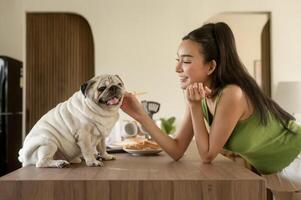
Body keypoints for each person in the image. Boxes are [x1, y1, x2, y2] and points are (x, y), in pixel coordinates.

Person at [120, 22, 301, 200]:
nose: (177, 68)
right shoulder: (200, 97)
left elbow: (207, 155)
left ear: (211, 66)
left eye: (186, 61)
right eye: (178, 60)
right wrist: (140, 116)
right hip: (280, 177)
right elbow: (176, 149)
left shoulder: (232, 94)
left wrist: (195, 106)